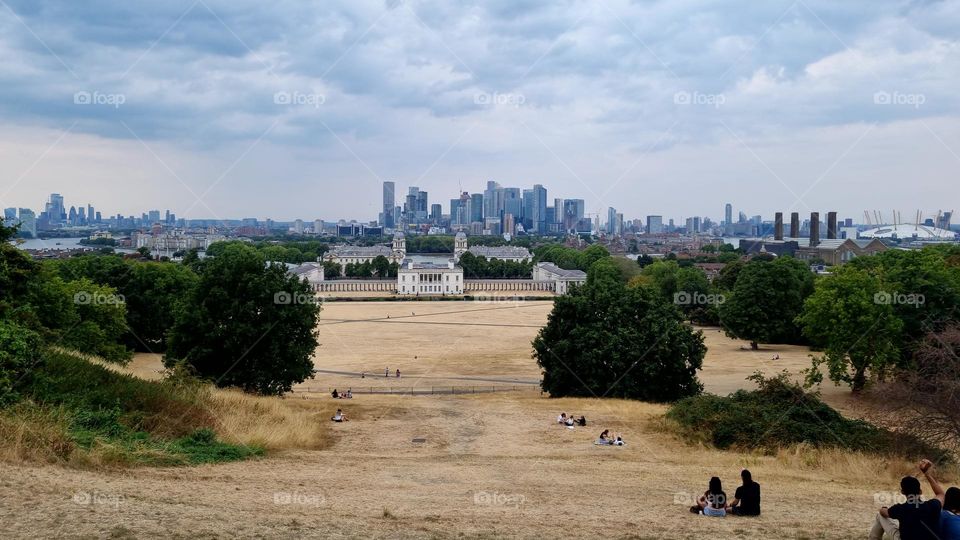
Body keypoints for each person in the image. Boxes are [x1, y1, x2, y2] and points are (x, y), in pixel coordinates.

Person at [870, 459, 945, 540]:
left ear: (902, 492)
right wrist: (927, 473)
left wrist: (883, 508)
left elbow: (883, 513)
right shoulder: (932, 505)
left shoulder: (900, 508)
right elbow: (941, 494)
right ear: (920, 491)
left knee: (880, 515)